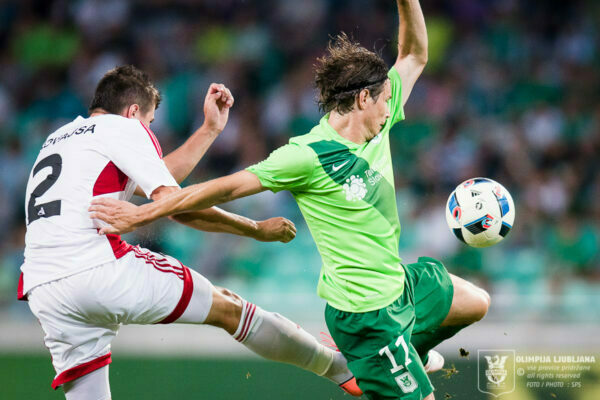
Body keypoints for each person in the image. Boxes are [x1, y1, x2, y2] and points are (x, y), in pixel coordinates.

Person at [90, 2, 491, 399]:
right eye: (385, 101)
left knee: (475, 303)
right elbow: (225, 188)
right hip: (367, 317)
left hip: (398, 285)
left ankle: (405, 354)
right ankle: (379, 359)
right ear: (362, 100)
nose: (392, 109)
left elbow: (414, 54)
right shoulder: (307, 155)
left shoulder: (378, 121)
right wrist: (145, 212)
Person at [20, 65, 361, 400]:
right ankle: (340, 369)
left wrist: (209, 130)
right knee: (229, 308)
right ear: (134, 112)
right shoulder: (124, 128)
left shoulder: (58, 139)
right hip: (97, 267)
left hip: (43, 287)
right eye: (150, 122)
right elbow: (175, 205)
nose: (149, 130)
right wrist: (254, 228)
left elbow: (159, 174)